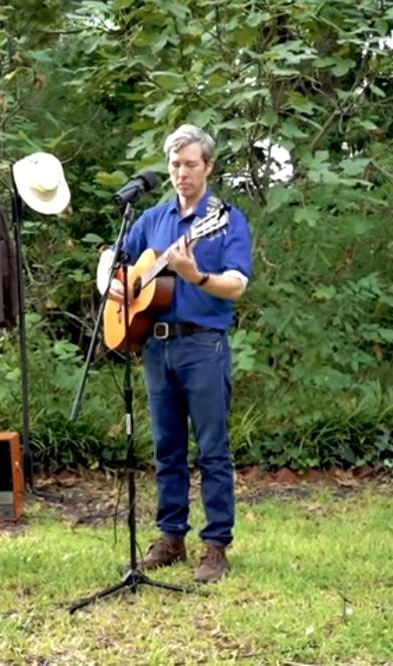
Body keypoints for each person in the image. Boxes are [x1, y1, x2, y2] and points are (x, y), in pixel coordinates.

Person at [101, 124, 253, 583]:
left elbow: (238, 285)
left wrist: (195, 275)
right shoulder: (152, 218)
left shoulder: (225, 219)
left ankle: (216, 545)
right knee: (166, 448)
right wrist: (114, 284)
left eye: (190, 164)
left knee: (212, 449)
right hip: (155, 344)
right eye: (174, 165)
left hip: (203, 344)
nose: (181, 173)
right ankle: (171, 537)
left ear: (207, 167)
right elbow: (114, 260)